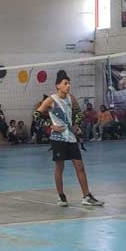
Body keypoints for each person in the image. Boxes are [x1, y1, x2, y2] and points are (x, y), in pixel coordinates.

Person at [36, 71, 104, 208]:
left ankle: (86, 196)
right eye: (65, 83)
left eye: (69, 83)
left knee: (80, 165)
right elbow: (36, 115)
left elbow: (78, 112)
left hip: (71, 137)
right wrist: (51, 126)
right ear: (58, 86)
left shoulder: (71, 98)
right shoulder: (51, 100)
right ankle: (61, 196)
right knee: (59, 167)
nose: (68, 86)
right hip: (58, 138)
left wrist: (76, 124)